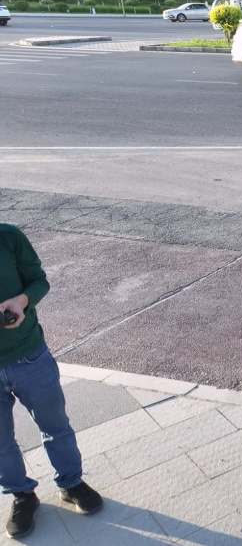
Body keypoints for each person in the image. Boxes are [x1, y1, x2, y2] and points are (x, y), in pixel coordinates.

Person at [0, 224, 102, 539]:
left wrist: (21, 302)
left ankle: (71, 483)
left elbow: (39, 282)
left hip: (30, 356)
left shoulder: (9, 237)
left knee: (55, 425)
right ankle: (22, 495)